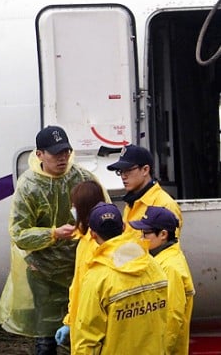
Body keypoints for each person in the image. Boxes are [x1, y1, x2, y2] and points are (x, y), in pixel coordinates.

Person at [0, 126, 99, 355]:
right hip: (43, 273)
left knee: (83, 332)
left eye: (66, 152)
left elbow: (102, 216)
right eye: (56, 153)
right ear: (40, 154)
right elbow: (19, 234)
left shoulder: (82, 178)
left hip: (79, 269)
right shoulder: (29, 186)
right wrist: (53, 234)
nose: (63, 158)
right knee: (46, 337)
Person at [70, 202, 169, 354]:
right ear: (123, 227)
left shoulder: (96, 277)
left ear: (93, 234)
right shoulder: (151, 263)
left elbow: (87, 338)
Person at [130, 206, 194, 354]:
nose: (141, 239)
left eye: (146, 234)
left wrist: (162, 351)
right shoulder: (161, 260)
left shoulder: (170, 268)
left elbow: (171, 317)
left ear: (163, 234)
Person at [54, 180, 108, 348]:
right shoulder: (85, 238)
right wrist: (70, 321)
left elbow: (88, 290)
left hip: (90, 325)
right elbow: (77, 285)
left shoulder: (95, 243)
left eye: (74, 205)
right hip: (82, 320)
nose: (72, 209)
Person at [106, 144, 182, 238]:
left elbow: (170, 245)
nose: (123, 176)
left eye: (128, 170)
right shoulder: (131, 202)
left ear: (145, 170)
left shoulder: (165, 205)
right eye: (120, 171)